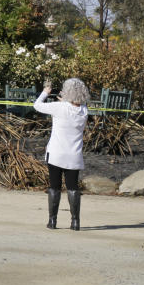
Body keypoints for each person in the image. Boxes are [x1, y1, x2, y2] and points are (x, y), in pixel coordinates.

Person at [33, 78, 90, 231]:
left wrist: (45, 92)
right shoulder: (84, 110)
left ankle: (52, 221)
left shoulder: (59, 107)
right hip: (74, 154)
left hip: (56, 153)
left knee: (54, 187)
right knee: (73, 187)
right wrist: (66, 100)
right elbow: (76, 104)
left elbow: (37, 105)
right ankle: (75, 221)